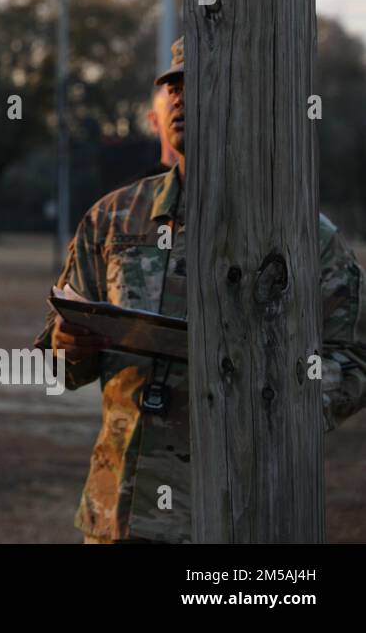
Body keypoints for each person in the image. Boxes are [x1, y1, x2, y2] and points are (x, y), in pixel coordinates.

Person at [35, 36, 366, 543]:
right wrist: (68, 345)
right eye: (172, 87)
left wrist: (276, 404)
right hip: (121, 515)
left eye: (198, 84)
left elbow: (351, 358)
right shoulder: (113, 218)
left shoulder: (299, 234)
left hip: (241, 513)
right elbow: (60, 357)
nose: (181, 99)